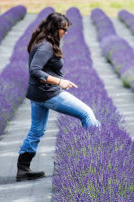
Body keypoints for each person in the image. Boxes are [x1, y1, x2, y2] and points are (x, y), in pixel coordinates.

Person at [16, 12, 100, 182]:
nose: (65, 33)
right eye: (64, 29)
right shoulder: (45, 46)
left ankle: (23, 169)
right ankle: (99, 156)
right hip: (48, 92)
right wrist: (59, 82)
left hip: (38, 93)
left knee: (37, 130)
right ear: (55, 28)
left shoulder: (43, 42)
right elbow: (34, 71)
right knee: (87, 113)